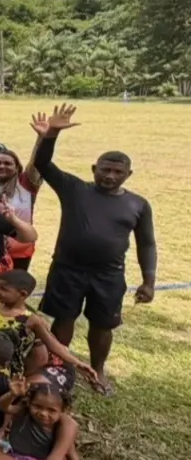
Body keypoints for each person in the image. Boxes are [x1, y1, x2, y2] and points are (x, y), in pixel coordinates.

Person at [30, 104, 156, 391]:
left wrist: (149, 280)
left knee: (103, 324)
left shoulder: (138, 204)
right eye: (105, 170)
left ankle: (98, 370)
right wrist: (52, 134)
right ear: (93, 169)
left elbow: (146, 243)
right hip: (68, 268)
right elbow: (43, 164)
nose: (110, 176)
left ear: (128, 174)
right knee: (64, 318)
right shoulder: (75, 189)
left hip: (109, 274)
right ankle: (58, 367)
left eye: (117, 172)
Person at [0, 146, 43, 270]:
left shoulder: (26, 185)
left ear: (17, 168)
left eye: (8, 163)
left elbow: (37, 164)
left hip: (19, 252)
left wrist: (42, 139)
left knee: (14, 283)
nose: (2, 166)